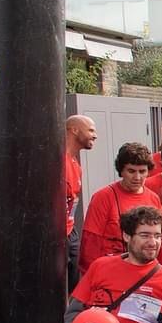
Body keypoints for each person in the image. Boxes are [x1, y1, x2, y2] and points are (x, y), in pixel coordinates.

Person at [79, 142, 162, 274]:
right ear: (121, 171)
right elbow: (90, 242)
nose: (137, 177)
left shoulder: (153, 198)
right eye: (131, 171)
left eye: (142, 171)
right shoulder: (103, 197)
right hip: (111, 271)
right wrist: (92, 276)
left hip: (144, 272)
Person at [65, 115, 97, 288]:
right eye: (91, 130)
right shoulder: (57, 161)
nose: (95, 135)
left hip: (71, 231)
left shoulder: (74, 162)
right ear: (74, 130)